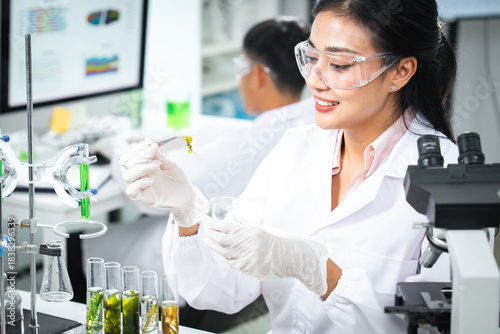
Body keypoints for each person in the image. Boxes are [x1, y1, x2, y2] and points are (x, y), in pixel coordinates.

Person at [119, 0, 459, 332]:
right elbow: (223, 291)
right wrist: (189, 215)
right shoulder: (296, 148)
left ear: (400, 71)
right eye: (311, 58)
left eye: (339, 65)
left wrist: (318, 270)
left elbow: (431, 326)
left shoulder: (448, 177)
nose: (314, 80)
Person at [163, 16, 315, 199]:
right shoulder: (312, 122)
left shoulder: (245, 147)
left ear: (258, 74)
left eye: (242, 65)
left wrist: (120, 151)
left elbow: (162, 184)